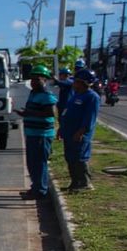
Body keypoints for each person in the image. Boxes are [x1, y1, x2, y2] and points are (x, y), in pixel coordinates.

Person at [14, 64, 57, 200]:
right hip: (32, 133)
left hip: (41, 135)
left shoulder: (46, 95)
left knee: (39, 163)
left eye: (37, 79)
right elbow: (34, 111)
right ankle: (35, 187)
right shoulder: (33, 93)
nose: (33, 82)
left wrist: (29, 112)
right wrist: (23, 113)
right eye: (32, 80)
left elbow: (50, 113)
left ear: (44, 80)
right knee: (32, 164)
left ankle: (40, 191)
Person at [59, 69, 101, 191]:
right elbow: (67, 112)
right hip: (68, 132)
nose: (74, 84)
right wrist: (61, 128)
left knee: (80, 157)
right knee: (70, 157)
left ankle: (85, 183)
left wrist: (81, 131)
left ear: (84, 83)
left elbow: (90, 117)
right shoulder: (75, 95)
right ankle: (75, 182)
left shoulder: (92, 97)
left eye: (77, 81)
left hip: (79, 134)